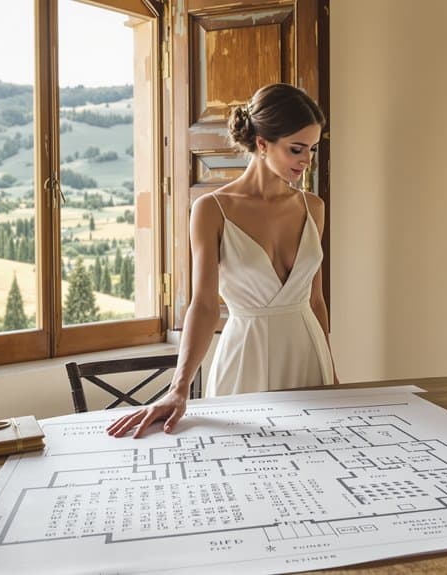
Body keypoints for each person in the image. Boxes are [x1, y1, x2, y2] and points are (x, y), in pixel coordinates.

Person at [107, 83, 337, 438]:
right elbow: (203, 305)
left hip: (308, 354)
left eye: (312, 149)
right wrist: (179, 387)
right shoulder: (212, 210)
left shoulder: (313, 207)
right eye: (296, 149)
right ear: (262, 143)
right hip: (246, 356)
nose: (307, 161)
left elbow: (317, 301)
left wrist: (333, 374)